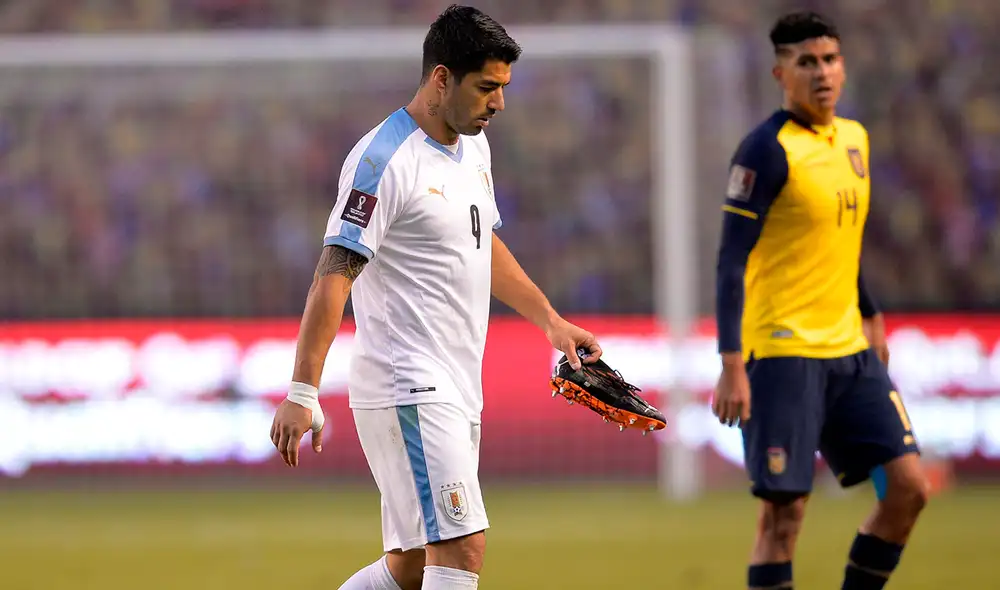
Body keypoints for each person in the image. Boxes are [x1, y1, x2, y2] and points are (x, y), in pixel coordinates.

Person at [268, 5, 602, 590]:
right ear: (441, 78)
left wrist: (550, 321)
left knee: (410, 565)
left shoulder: (473, 146)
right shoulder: (382, 162)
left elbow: (480, 243)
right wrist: (303, 390)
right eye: (487, 87)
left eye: (503, 87)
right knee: (462, 547)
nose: (499, 103)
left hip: (454, 382)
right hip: (408, 384)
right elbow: (335, 271)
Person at [711, 12, 931, 590]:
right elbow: (731, 260)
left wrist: (871, 312)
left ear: (844, 66)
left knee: (909, 490)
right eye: (806, 62)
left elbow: (839, 239)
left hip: (850, 349)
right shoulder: (763, 151)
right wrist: (733, 364)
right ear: (780, 72)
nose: (822, 72)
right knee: (783, 518)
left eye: (830, 59)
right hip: (782, 354)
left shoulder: (854, 139)